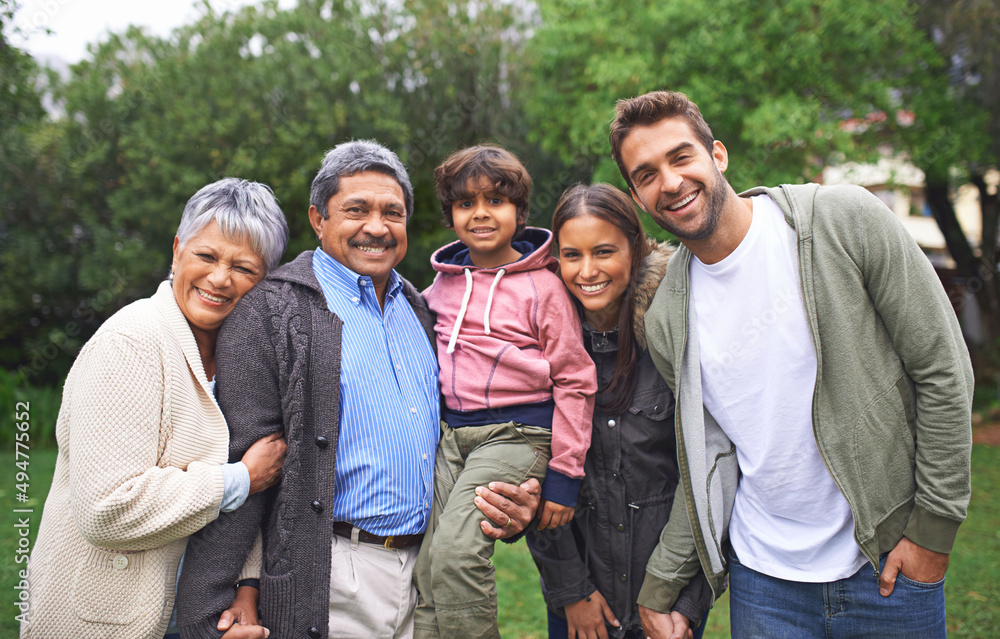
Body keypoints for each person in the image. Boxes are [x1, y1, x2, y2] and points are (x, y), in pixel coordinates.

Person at [607, 90, 974, 639]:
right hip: (764, 587)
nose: (671, 182)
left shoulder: (842, 221)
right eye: (647, 174)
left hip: (887, 571)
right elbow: (710, 457)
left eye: (681, 157)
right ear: (638, 196)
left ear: (718, 155)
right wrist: (663, 581)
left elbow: (943, 371)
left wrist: (933, 531)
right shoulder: (666, 319)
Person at [176, 140, 542, 639]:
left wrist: (513, 507)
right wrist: (210, 613)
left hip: (425, 576)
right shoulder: (270, 313)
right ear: (318, 219)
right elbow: (242, 468)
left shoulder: (421, 309)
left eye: (393, 212)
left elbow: (465, 439)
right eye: (356, 210)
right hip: (330, 578)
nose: (377, 226)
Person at [21, 178, 290, 639]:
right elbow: (107, 508)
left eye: (244, 267)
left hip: (195, 613)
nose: (221, 278)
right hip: (105, 619)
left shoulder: (238, 357)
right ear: (177, 250)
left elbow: (241, 498)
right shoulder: (131, 343)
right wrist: (240, 478)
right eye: (207, 256)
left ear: (265, 280)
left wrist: (246, 585)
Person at [412, 145, 597, 639]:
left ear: (518, 212)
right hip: (454, 439)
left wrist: (565, 474)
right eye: (466, 204)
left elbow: (576, 380)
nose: (481, 214)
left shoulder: (544, 287)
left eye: (495, 201)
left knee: (457, 554)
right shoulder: (439, 289)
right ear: (451, 216)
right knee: (429, 566)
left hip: (517, 434)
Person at [526, 183, 712, 639]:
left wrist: (686, 602)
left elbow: (713, 477)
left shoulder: (679, 337)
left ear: (635, 247)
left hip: (667, 606)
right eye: (572, 255)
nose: (587, 270)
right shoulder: (538, 352)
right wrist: (571, 593)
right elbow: (527, 471)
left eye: (604, 251)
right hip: (581, 608)